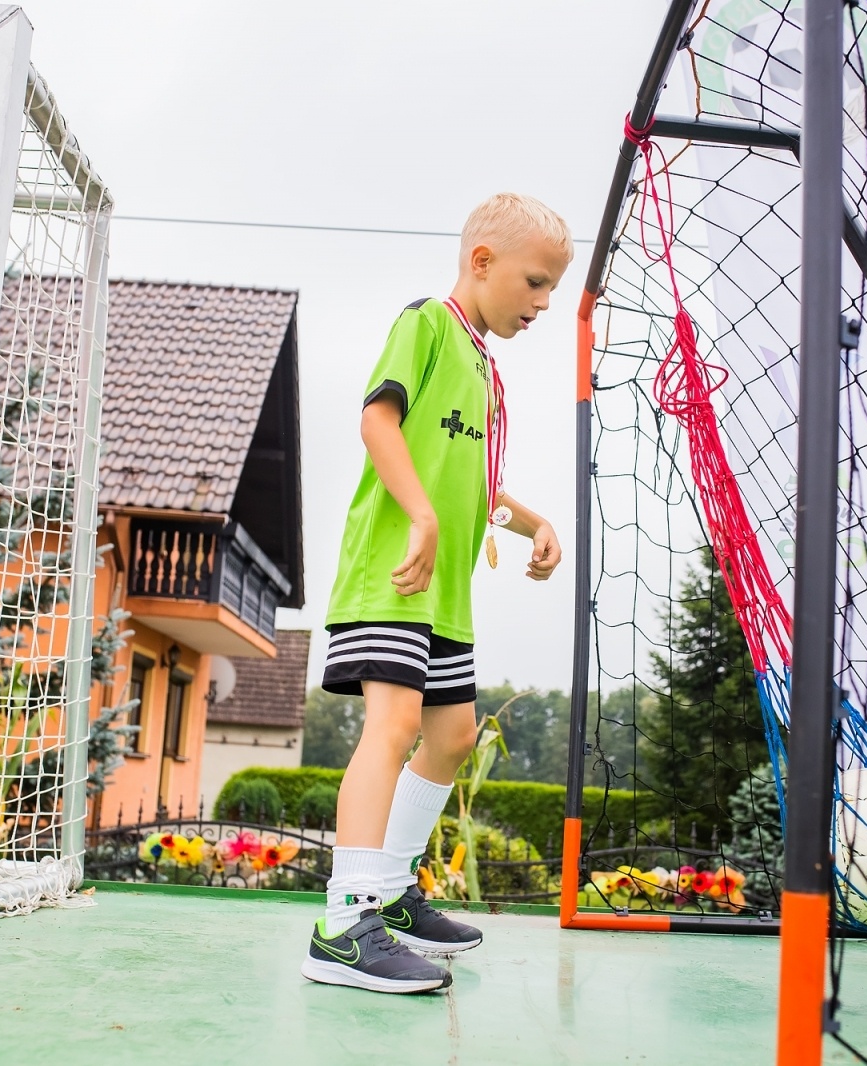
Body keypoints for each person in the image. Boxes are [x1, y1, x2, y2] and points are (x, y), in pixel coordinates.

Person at [300, 193, 572, 994]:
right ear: (482, 263)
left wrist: (535, 522)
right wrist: (417, 515)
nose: (544, 303)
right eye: (535, 282)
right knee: (394, 725)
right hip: (393, 573)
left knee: (450, 737)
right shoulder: (425, 324)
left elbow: (474, 483)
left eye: (553, 288)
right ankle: (344, 925)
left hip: (445, 594)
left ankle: (389, 894)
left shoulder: (485, 370)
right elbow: (378, 423)